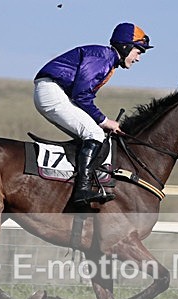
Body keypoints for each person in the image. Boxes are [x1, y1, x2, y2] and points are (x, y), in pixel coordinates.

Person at [34, 22, 153, 206]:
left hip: (55, 91)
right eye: (139, 51)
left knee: (93, 134)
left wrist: (100, 121)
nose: (138, 58)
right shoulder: (102, 58)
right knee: (95, 133)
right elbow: (81, 95)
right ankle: (82, 190)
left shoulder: (107, 60)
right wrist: (104, 121)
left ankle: (73, 184)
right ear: (126, 46)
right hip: (52, 91)